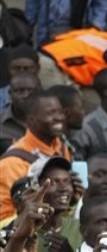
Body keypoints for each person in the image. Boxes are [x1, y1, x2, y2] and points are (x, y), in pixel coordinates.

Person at [0, 90, 71, 221]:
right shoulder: (12, 162)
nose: (59, 118)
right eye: (51, 113)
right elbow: (4, 217)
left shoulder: (61, 147)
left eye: (60, 112)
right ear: (30, 120)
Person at [28, 156, 83, 251]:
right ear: (36, 187)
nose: (64, 188)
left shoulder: (81, 229)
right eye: (54, 182)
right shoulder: (21, 233)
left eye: (67, 181)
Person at [0, 72, 41, 153]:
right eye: (20, 91)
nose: (26, 95)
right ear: (10, 93)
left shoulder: (51, 120)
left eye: (31, 90)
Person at [0, 44, 40, 111]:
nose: (22, 72)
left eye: (27, 68)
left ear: (37, 68)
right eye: (16, 68)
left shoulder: (50, 97)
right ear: (8, 68)